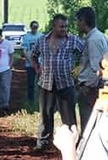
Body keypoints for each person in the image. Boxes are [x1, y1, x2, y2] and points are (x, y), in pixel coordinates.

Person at [29, 14, 85, 150]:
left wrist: (80, 66)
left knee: (69, 115)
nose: (64, 29)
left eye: (66, 26)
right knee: (45, 114)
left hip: (66, 83)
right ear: (54, 26)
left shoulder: (73, 40)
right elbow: (33, 55)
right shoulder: (42, 40)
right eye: (61, 27)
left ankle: (73, 143)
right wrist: (37, 68)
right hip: (46, 83)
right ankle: (43, 142)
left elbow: (86, 52)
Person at [74, 6, 108, 130]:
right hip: (98, 86)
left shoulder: (93, 40)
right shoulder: (99, 36)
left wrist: (87, 86)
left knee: (88, 123)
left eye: (78, 21)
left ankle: (87, 147)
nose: (77, 24)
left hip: (91, 89)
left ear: (83, 21)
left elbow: (96, 68)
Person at [20, 20, 41, 103]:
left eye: (36, 27)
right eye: (33, 27)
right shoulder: (26, 37)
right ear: (31, 27)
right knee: (30, 83)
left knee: (41, 83)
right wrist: (31, 61)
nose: (34, 29)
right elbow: (24, 51)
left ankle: (41, 99)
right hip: (29, 63)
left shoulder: (41, 36)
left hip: (40, 63)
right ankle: (30, 100)